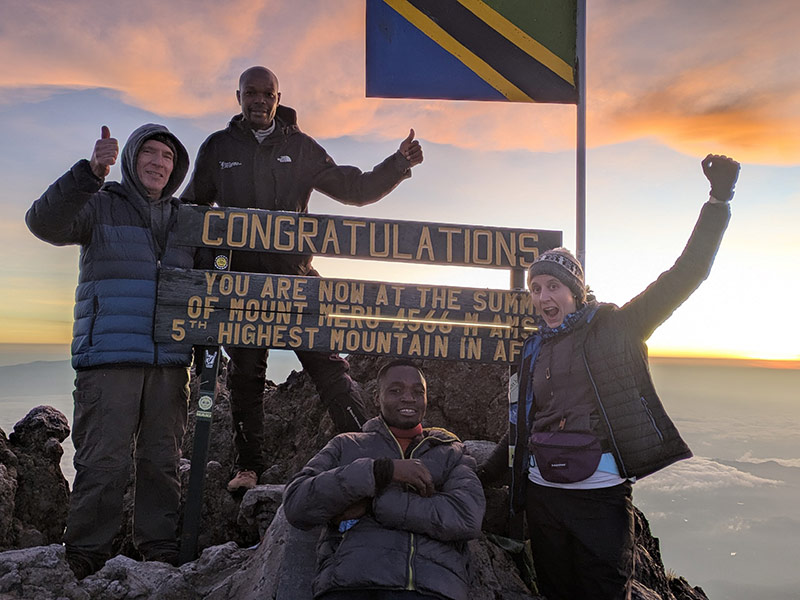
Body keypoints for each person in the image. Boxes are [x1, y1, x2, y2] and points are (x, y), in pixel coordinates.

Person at [479, 154, 740, 600]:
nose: (543, 297)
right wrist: (482, 475)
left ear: (575, 292)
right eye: (536, 289)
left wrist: (719, 200)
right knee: (556, 592)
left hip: (600, 500)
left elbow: (685, 275)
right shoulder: (534, 348)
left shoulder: (616, 327)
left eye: (553, 287)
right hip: (544, 498)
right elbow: (523, 424)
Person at [182, 66, 424, 492]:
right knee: (245, 376)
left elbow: (355, 188)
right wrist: (205, 268)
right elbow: (191, 210)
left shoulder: (300, 147)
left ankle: (372, 451)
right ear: (238, 96)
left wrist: (398, 164)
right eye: (250, 92)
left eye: (267, 94)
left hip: (296, 281)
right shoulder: (218, 148)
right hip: (241, 287)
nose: (258, 100)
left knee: (329, 368)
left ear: (278, 98)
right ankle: (248, 466)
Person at [26, 124, 193, 578]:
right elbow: (43, 222)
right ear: (131, 158)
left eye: (168, 157)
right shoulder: (98, 204)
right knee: (102, 461)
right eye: (150, 153)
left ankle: (158, 549)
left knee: (162, 460)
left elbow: (216, 278)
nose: (159, 163)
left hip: (170, 362)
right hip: (109, 358)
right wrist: (90, 172)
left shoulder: (188, 219)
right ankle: (84, 554)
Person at [283, 359, 486, 600]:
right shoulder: (347, 444)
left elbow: (466, 517)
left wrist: (376, 504)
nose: (408, 398)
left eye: (417, 392)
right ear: (377, 397)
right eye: (396, 390)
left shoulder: (450, 450)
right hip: (350, 583)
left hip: (433, 587)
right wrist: (380, 471)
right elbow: (297, 504)